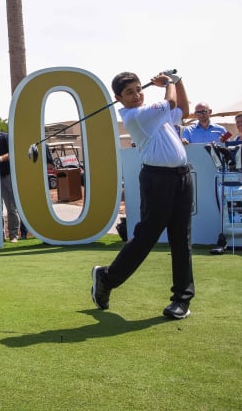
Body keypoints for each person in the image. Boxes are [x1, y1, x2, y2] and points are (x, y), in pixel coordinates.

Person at [91, 71, 195, 320]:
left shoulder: (152, 112)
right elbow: (170, 103)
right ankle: (107, 278)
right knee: (145, 238)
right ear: (118, 98)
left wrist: (179, 82)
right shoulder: (136, 116)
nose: (137, 95)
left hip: (182, 177)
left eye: (138, 89)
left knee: (182, 238)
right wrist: (169, 83)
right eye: (129, 92)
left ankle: (181, 299)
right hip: (157, 180)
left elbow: (183, 109)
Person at [0, 131, 23, 243]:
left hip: (6, 176)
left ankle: (13, 235)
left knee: (11, 208)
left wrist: (1, 158)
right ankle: (0, 235)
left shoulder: (4, 136)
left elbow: (14, 152)